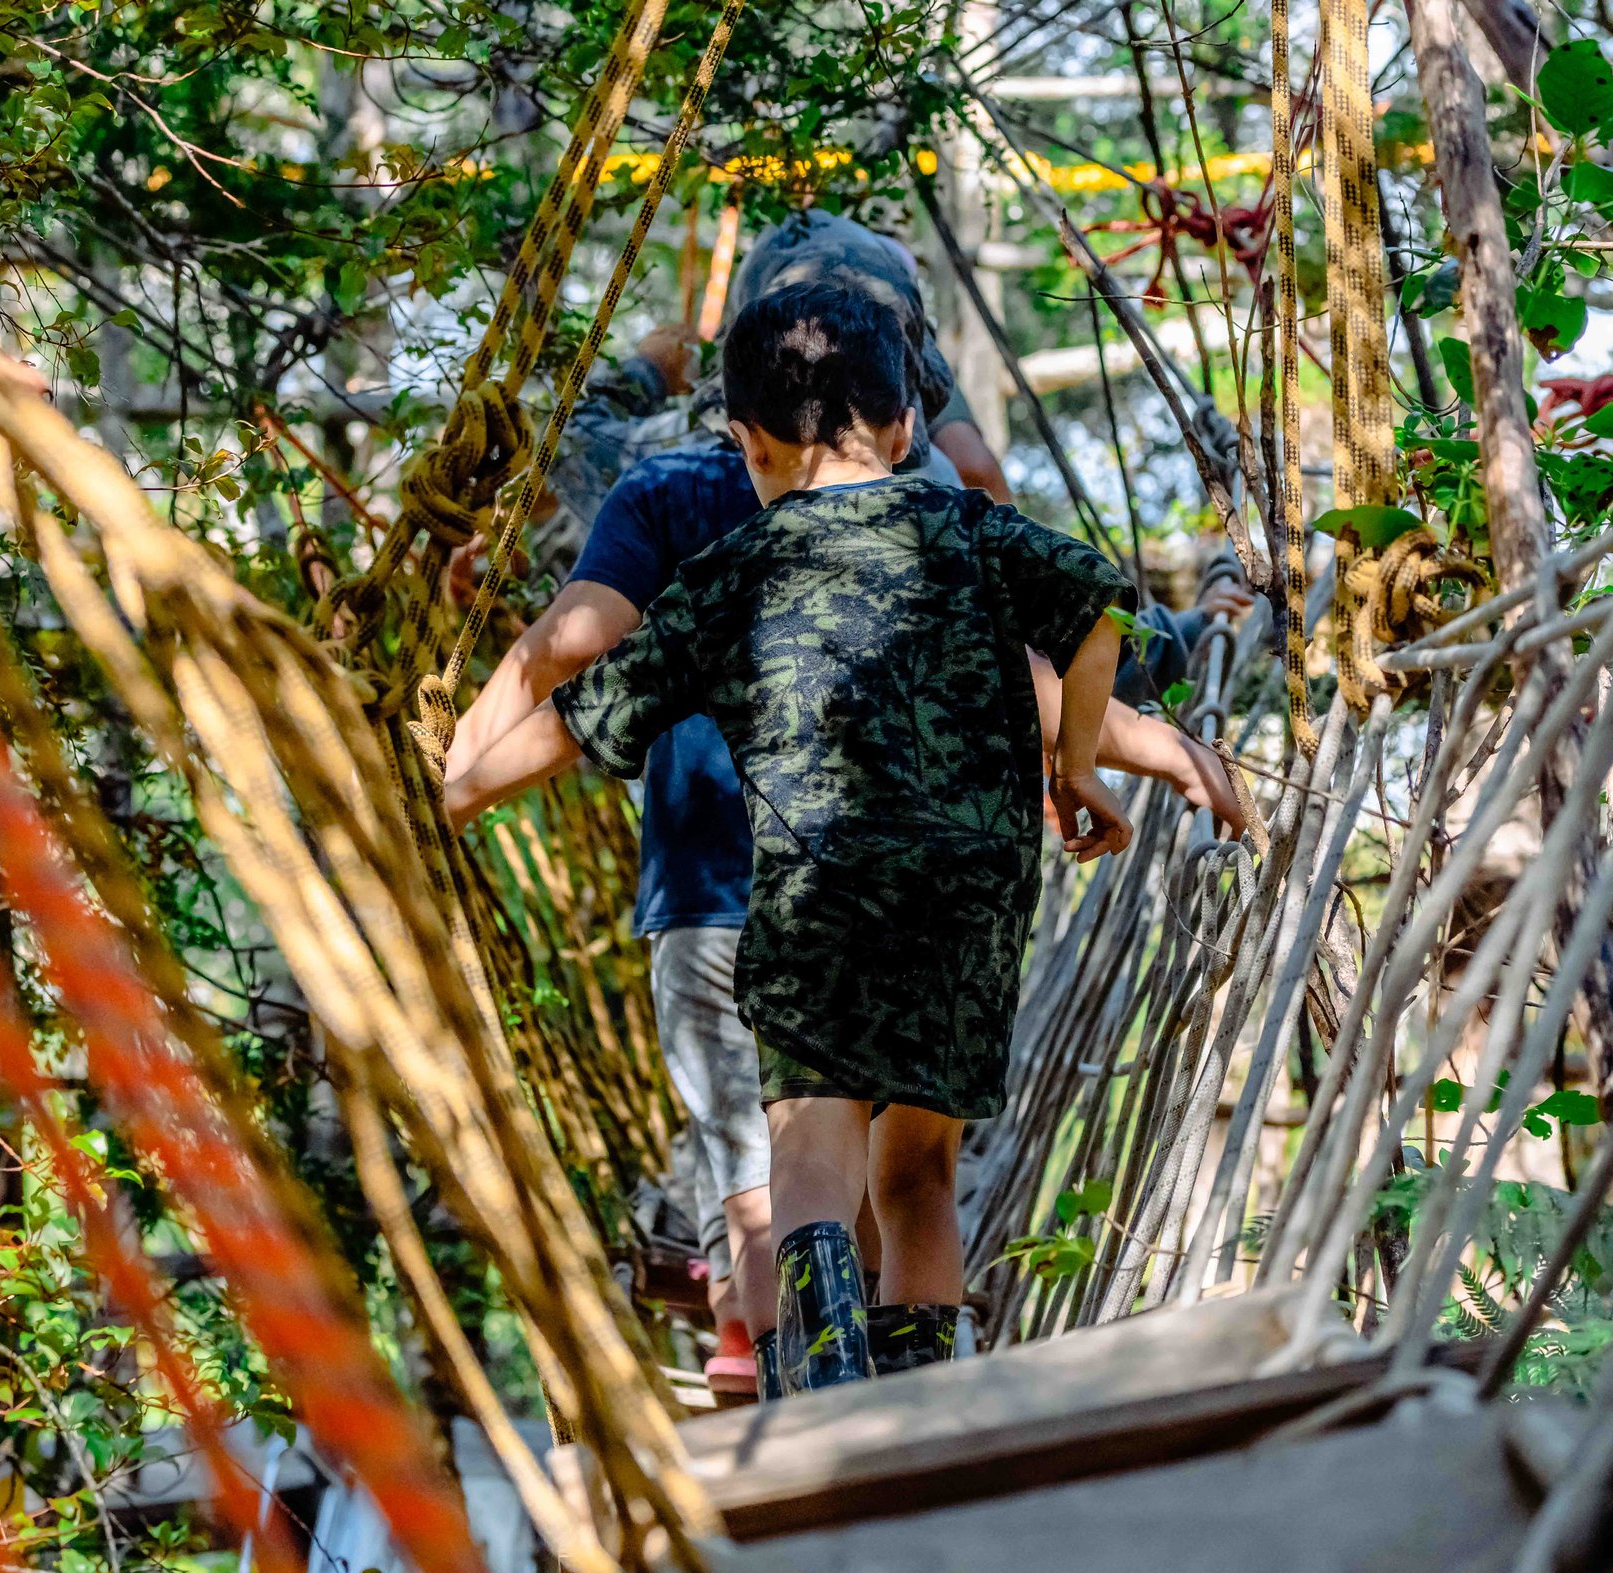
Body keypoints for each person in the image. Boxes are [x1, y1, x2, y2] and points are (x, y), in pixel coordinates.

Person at [446, 214, 1248, 1396]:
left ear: (746, 442)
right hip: (968, 900)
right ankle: (929, 1405)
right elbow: (1097, 621)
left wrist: (451, 792)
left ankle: (823, 1403)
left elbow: (580, 715)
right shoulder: (973, 530)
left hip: (814, 895)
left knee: (809, 1165)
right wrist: (1080, 764)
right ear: (909, 423)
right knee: (919, 1176)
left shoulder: (732, 567)